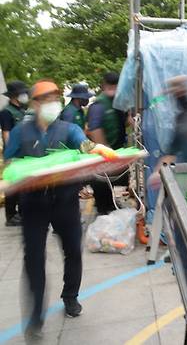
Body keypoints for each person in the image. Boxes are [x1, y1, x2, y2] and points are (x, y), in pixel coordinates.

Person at [2, 80, 109, 339]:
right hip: (34, 205)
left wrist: (100, 152)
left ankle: (70, 297)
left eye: (55, 97)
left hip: (65, 201)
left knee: (73, 251)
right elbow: (9, 164)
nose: (52, 102)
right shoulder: (20, 132)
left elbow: (85, 147)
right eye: (46, 98)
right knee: (34, 259)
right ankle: (35, 316)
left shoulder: (69, 129)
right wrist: (21, 175)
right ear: (35, 103)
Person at [87, 72, 128, 215]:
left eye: (116, 86)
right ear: (104, 86)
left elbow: (126, 122)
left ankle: (109, 205)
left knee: (108, 182)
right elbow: (95, 129)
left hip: (116, 149)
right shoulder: (98, 105)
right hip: (103, 152)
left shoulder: (118, 102)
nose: (113, 89)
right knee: (101, 182)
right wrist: (106, 150)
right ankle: (103, 209)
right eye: (110, 86)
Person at [1, 81, 30, 227]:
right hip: (14, 154)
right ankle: (11, 215)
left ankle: (21, 213)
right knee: (12, 185)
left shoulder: (22, 110)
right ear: (14, 95)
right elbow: (6, 134)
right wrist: (9, 154)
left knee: (21, 185)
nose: (25, 95)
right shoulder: (7, 112)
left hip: (24, 153)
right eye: (22, 93)